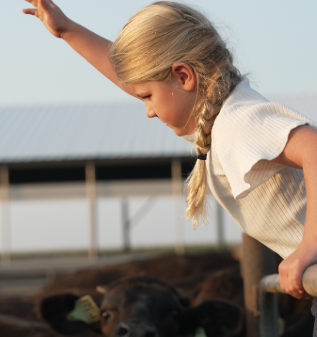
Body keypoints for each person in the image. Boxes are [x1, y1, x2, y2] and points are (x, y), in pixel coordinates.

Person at [23, 0, 317, 332]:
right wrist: (68, 31)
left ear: (183, 76)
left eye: (147, 97)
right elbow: (137, 78)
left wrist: (310, 244)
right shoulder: (217, 119)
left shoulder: (238, 122)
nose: (147, 111)